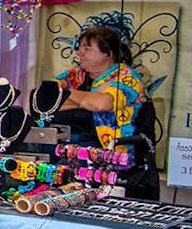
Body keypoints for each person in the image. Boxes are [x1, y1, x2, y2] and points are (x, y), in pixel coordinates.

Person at [56, 25, 159, 199]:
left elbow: (103, 104)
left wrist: (69, 95)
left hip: (109, 158)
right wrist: (86, 101)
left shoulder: (126, 77)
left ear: (108, 53)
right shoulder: (74, 76)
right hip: (69, 153)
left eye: (87, 48)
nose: (80, 53)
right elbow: (48, 102)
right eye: (79, 47)